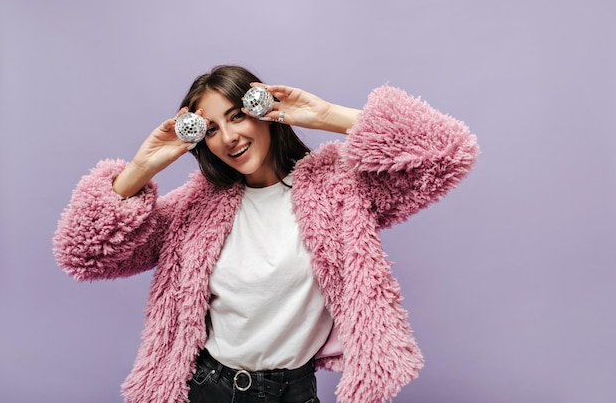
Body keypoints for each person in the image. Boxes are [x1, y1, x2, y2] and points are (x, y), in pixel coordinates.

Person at [53, 65, 479, 403]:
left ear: (264, 113)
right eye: (213, 129)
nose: (230, 137)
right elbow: (83, 254)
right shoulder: (193, 209)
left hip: (294, 392)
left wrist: (326, 115)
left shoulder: (338, 189)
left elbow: (446, 151)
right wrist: (142, 167)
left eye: (237, 115)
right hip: (207, 390)